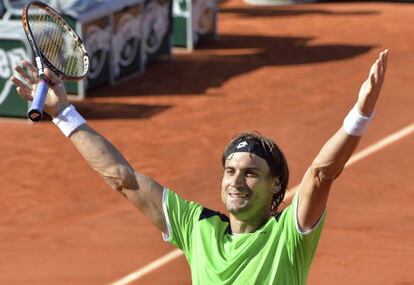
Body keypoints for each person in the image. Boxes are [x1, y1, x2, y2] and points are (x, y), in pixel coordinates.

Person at [10, 49, 388, 284]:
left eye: (251, 172)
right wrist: (63, 115)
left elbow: (322, 173)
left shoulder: (288, 236)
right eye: (231, 170)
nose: (236, 180)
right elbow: (122, 179)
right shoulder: (198, 228)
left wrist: (361, 114)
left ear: (276, 186)